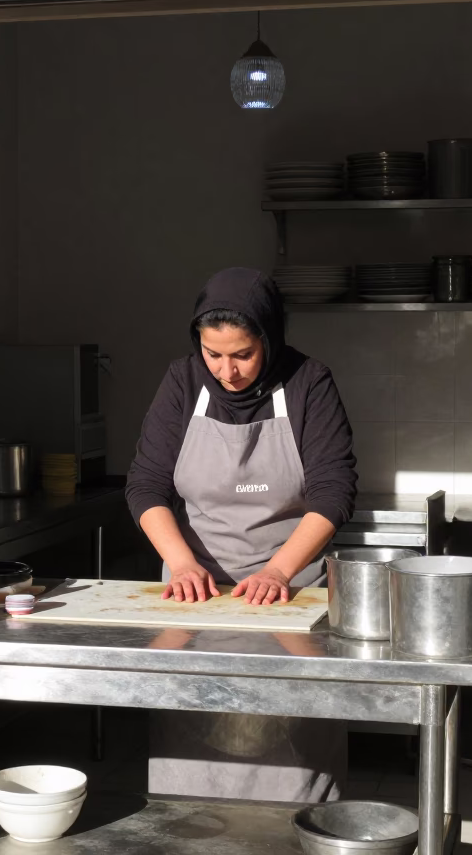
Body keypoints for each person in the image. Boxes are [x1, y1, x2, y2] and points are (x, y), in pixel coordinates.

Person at [126, 267, 358, 802]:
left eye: (243, 354)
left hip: (289, 597)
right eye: (213, 354)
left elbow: (334, 491)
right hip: (194, 598)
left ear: (269, 339)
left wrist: (278, 570)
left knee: (287, 741)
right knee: (195, 738)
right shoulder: (182, 382)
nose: (226, 371)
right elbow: (146, 485)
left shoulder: (308, 383)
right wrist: (182, 564)